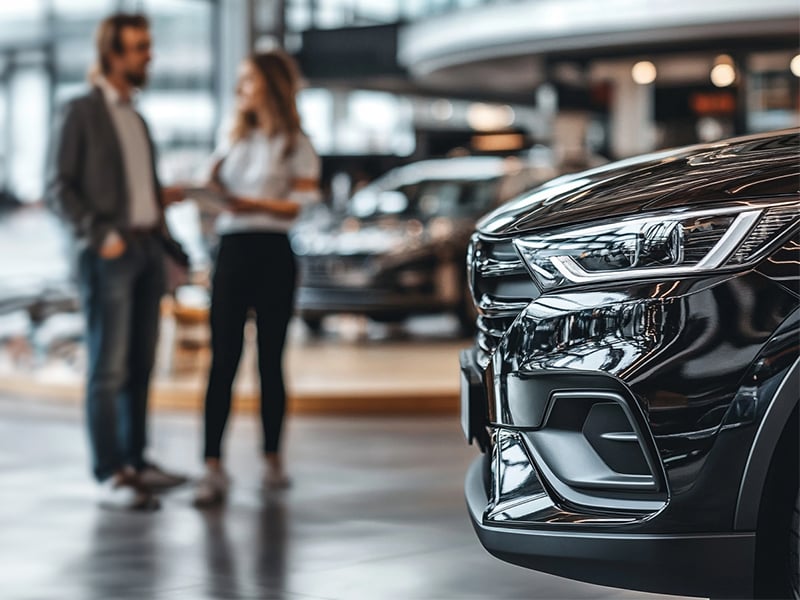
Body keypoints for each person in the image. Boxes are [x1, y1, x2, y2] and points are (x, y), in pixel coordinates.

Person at [47, 13, 188, 510]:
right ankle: (111, 473)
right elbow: (59, 188)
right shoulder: (80, 111)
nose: (148, 55)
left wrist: (164, 221)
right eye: (139, 47)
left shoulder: (137, 117)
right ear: (112, 54)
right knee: (107, 368)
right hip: (107, 253)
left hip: (147, 249)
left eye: (148, 45)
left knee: (141, 364)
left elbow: (139, 188)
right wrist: (99, 234)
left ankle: (137, 461)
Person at [194, 49, 321, 507]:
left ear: (270, 83)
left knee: (270, 360)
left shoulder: (296, 143)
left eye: (248, 79)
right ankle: (211, 465)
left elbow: (301, 205)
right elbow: (210, 191)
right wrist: (208, 193)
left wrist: (254, 205)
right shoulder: (233, 140)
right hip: (231, 252)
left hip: (272, 253)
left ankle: (272, 458)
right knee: (222, 361)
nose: (240, 89)